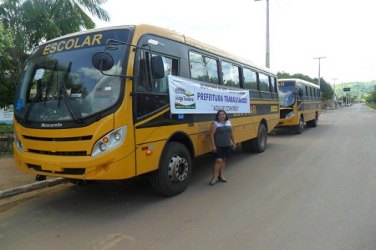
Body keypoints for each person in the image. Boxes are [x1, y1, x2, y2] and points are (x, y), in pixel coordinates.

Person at [209, 109, 236, 185]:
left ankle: (221, 176)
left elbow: (231, 133)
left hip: (227, 144)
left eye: (223, 114)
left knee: (223, 160)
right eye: (220, 115)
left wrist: (234, 143)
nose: (222, 116)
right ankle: (214, 177)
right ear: (217, 116)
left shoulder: (228, 122)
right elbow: (211, 135)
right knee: (218, 161)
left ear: (225, 115)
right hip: (218, 145)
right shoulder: (215, 123)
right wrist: (213, 146)